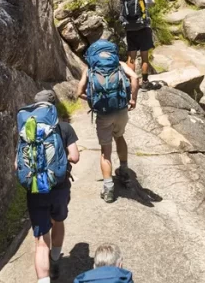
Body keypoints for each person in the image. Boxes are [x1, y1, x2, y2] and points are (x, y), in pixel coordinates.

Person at [18, 89, 80, 282]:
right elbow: (75, 157)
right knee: (58, 221)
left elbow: (16, 164)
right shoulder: (65, 128)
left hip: (36, 188)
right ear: (53, 106)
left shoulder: (27, 131)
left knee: (40, 242)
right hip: (59, 187)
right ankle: (55, 260)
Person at [77, 41, 139, 204]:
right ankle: (124, 171)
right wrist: (133, 99)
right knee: (119, 137)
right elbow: (135, 77)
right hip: (121, 110)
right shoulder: (119, 65)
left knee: (105, 150)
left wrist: (94, 99)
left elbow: (79, 92)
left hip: (103, 114)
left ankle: (108, 188)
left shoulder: (90, 68)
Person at [119, 0, 156, 89]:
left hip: (130, 28)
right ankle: (144, 82)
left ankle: (131, 82)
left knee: (132, 57)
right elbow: (153, 2)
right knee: (144, 56)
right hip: (143, 28)